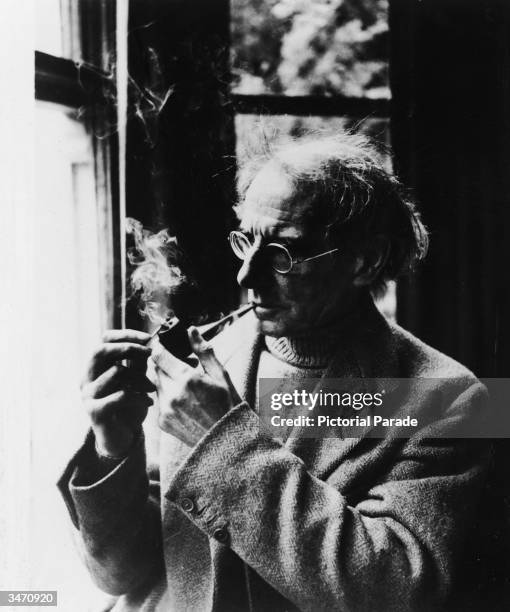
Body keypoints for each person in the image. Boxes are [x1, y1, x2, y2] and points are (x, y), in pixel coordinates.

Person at [58, 131, 491, 612]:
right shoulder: (210, 359)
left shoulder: (452, 400)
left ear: (364, 262)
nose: (246, 276)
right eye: (246, 242)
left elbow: (392, 589)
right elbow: (117, 575)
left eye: (282, 254)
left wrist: (221, 441)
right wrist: (112, 450)